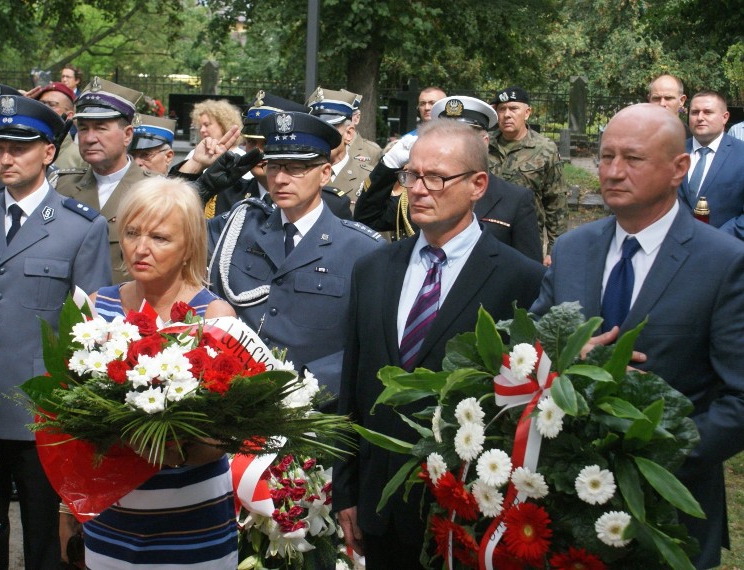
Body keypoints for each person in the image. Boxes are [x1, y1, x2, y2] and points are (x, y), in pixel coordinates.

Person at [530, 103, 744, 570]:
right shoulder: (571, 250)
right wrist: (565, 358)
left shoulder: (724, 262)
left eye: (633, 158)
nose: (612, 172)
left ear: (678, 168)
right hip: (563, 510)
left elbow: (740, 399)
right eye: (606, 157)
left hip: (668, 517)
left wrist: (648, 457)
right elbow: (524, 348)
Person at [334, 119, 545, 569]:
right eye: (412, 175)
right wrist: (347, 491)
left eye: (437, 178)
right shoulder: (372, 269)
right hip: (380, 507)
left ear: (478, 185)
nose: (418, 189)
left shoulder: (519, 279)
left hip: (465, 512)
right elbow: (354, 389)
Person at [0, 94, 111, 570]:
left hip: (42, 410)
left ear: (48, 153)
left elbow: (93, 323)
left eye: (20, 148)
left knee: (43, 541)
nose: (6, 158)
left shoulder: (81, 227)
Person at [79, 177, 238, 569]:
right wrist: (70, 510)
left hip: (192, 524)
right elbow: (74, 416)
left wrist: (174, 449)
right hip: (112, 520)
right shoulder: (100, 306)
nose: (141, 248)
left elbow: (232, 429)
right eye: (132, 233)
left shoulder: (215, 317)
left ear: (188, 248)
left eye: (160, 238)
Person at [207, 111, 384, 396]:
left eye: (296, 167)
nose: (280, 179)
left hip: (314, 412)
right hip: (232, 401)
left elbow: (369, 343)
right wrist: (200, 184)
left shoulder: (362, 249)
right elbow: (171, 233)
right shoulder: (239, 226)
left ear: (325, 173)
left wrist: (301, 387)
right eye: (274, 166)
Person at [355, 95, 543, 261]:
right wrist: (389, 163)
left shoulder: (514, 200)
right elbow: (367, 218)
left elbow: (527, 274)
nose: (451, 144)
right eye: (445, 135)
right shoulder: (421, 190)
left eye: (463, 136)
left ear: (484, 143)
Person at [55, 77, 155, 284]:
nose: (90, 138)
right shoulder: (60, 185)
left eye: (101, 128)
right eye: (83, 128)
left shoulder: (155, 190)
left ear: (127, 135)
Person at [196, 90, 351, 219]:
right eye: (250, 142)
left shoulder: (330, 204)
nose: (257, 151)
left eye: (265, 144)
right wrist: (196, 167)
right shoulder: (227, 194)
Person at [488, 86, 567, 263]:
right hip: (487, 237)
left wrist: (554, 249)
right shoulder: (484, 145)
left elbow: (556, 202)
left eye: (513, 108)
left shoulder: (545, 149)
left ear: (527, 112)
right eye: (502, 109)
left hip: (526, 240)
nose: (507, 114)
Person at [678, 90, 744, 239]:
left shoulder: (741, 155)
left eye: (707, 112)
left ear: (725, 117)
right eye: (695, 112)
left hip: (725, 252)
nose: (700, 118)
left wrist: (713, 240)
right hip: (673, 249)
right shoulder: (673, 153)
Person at [306, 87, 371, 210]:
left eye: (328, 131)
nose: (321, 137)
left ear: (349, 134)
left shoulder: (368, 178)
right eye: (315, 131)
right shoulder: (297, 174)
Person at [29, 81, 83, 170]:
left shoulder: (80, 157)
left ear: (69, 116)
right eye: (41, 103)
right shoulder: (26, 149)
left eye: (52, 105)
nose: (44, 108)